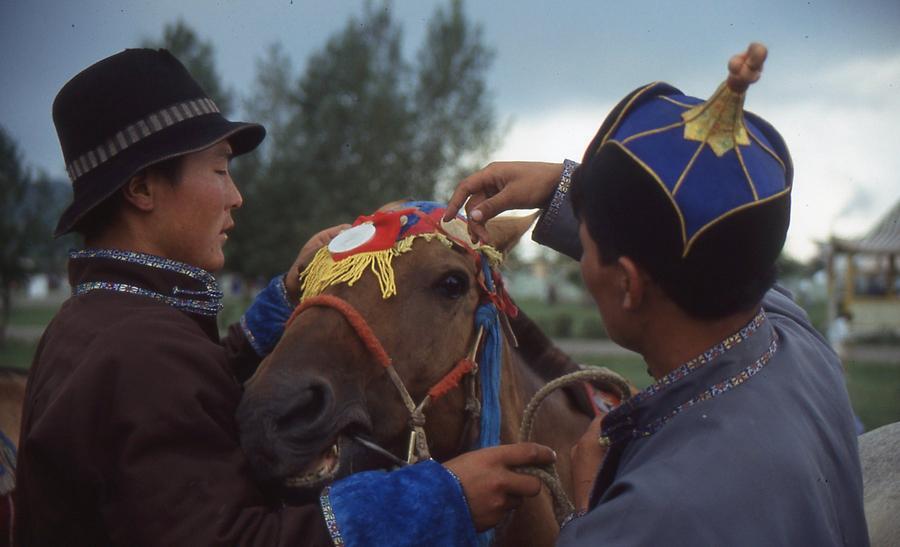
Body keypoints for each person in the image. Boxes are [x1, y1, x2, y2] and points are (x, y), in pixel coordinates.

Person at [13, 48, 555, 546]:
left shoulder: (93, 324)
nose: (236, 196)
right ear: (142, 189)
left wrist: (279, 307)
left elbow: (187, 403)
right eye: (221, 170)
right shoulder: (139, 351)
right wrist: (438, 500)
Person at [445, 43, 870, 545]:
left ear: (627, 284)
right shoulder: (794, 340)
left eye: (586, 245)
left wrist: (585, 515)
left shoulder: (647, 518)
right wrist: (566, 186)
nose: (581, 259)